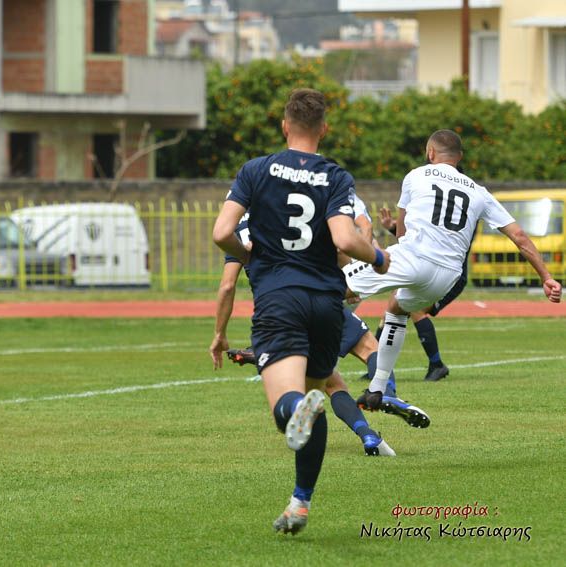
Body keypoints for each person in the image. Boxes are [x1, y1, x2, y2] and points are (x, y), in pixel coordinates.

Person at [212, 88, 390, 536]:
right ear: (323, 129)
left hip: (280, 299)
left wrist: (248, 255)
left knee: (289, 407)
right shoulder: (335, 176)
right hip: (327, 305)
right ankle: (300, 503)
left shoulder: (255, 170)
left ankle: (297, 411)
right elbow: (345, 241)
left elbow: (221, 232)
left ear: (284, 125)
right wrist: (379, 257)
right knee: (314, 397)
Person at [347, 130, 562, 411]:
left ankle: (303, 355)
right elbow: (519, 236)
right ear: (459, 157)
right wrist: (546, 277)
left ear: (430, 153)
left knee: (330, 285)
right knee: (397, 308)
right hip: (448, 275)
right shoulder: (479, 192)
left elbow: (401, 232)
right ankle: (377, 389)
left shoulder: (416, 175)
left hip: (413, 256)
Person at [209, 216, 430, 450]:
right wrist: (349, 277)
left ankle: (368, 436)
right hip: (319, 296)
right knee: (370, 348)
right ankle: (386, 392)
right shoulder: (286, 211)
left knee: (332, 385)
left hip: (277, 310)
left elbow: (227, 286)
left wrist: (219, 333)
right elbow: (337, 247)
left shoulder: (237, 231)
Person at [374, 207, 466, 381]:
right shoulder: (436, 207)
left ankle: (437, 364)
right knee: (391, 310)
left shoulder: (456, 209)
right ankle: (373, 364)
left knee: (415, 309)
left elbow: (436, 241)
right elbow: (417, 240)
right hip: (425, 268)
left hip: (447, 273)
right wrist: (393, 227)